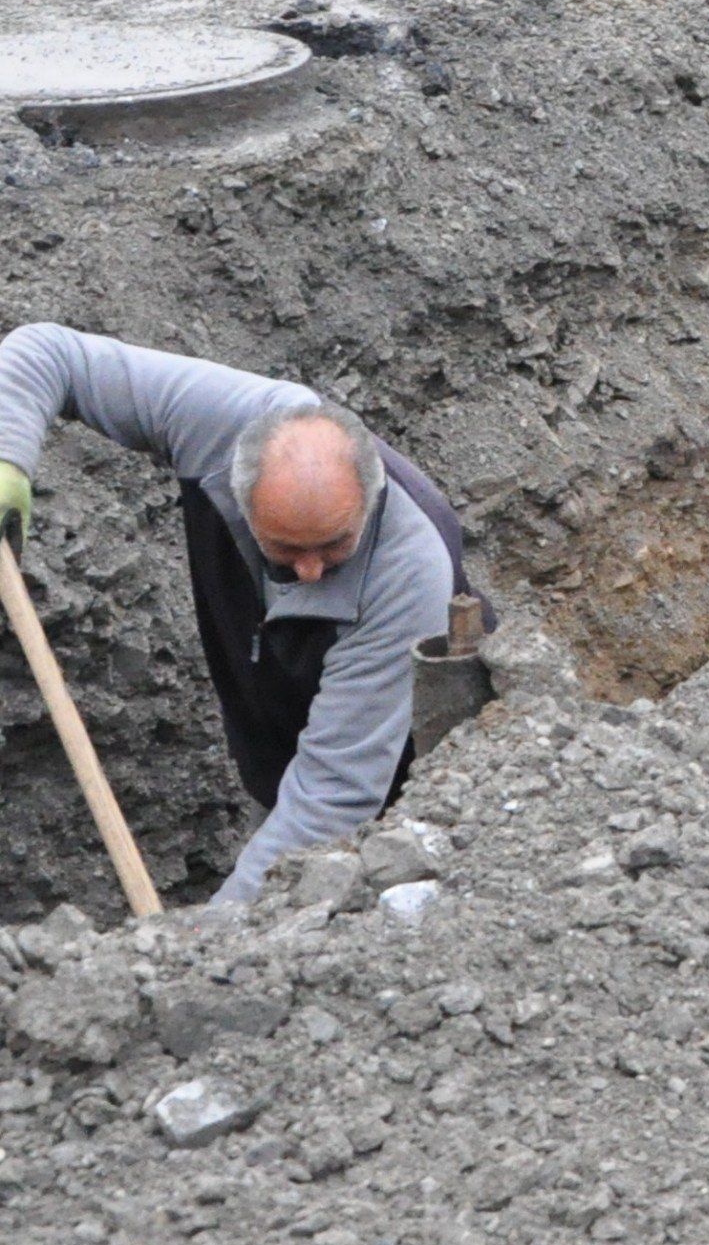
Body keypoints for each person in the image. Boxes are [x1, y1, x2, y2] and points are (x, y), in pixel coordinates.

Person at [0, 327, 483, 903]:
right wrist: (8, 463)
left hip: (405, 783)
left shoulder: (408, 572)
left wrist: (216, 935)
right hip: (278, 738)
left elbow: (333, 798)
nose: (309, 570)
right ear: (238, 491)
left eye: (334, 545)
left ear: (369, 494)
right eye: (285, 548)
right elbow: (50, 355)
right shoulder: (220, 423)